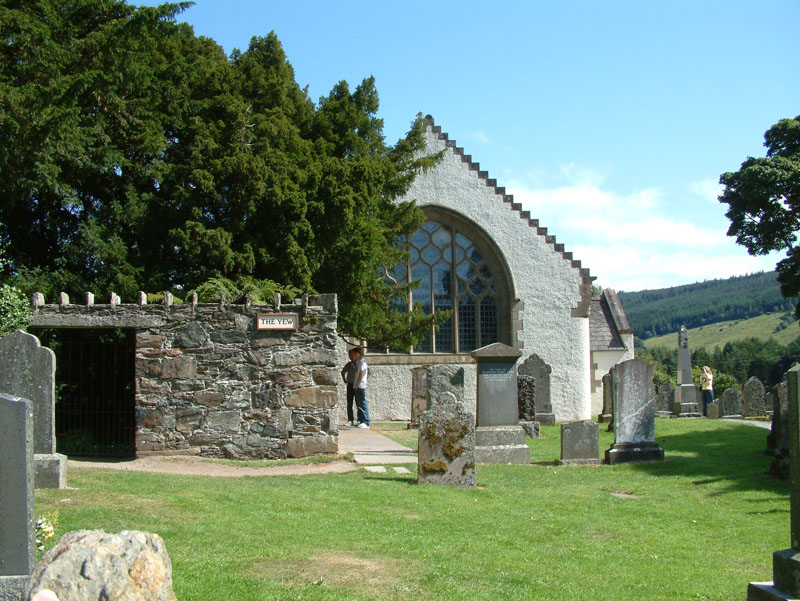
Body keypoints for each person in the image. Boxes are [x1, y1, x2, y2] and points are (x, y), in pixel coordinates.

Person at [352, 346, 370, 428]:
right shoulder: (359, 362)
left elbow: (361, 374)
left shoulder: (363, 362)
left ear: (357, 353)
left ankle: (366, 422)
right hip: (357, 385)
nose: (353, 355)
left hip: (360, 386)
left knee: (362, 403)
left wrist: (357, 384)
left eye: (354, 353)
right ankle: (361, 420)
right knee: (359, 403)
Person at [340, 348, 358, 426]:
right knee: (349, 403)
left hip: (357, 385)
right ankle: (350, 420)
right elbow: (343, 372)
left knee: (358, 402)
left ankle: (359, 420)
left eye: (351, 354)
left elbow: (367, 372)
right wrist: (345, 380)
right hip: (350, 384)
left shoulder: (359, 363)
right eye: (349, 355)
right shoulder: (349, 364)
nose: (350, 356)